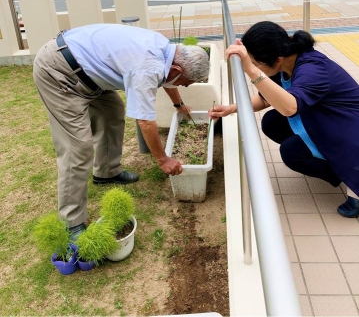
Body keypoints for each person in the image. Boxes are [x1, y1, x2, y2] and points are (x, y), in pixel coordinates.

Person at [33, 24, 210, 237]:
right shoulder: (147, 66)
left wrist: (178, 105)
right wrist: (163, 160)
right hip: (59, 72)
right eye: (185, 83)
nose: (183, 86)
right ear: (178, 70)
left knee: (112, 110)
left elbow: (167, 78)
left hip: (86, 70)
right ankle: (71, 222)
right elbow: (145, 121)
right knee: (77, 147)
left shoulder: (165, 50)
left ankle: (107, 172)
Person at [209, 21, 359, 218]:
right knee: (271, 122)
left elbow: (289, 107)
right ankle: (334, 165)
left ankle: (351, 179)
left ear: (276, 59)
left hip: (347, 128)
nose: (254, 67)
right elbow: (266, 99)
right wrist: (232, 108)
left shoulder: (312, 70)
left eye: (256, 64)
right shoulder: (285, 64)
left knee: (291, 152)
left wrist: (252, 72)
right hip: (323, 118)